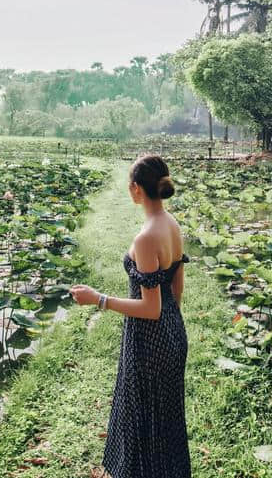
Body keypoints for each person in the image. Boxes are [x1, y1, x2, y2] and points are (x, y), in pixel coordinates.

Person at [70, 154, 191, 478]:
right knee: (164, 423)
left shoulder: (146, 238)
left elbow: (150, 309)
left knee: (141, 422)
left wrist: (99, 300)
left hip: (149, 341)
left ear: (136, 189)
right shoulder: (172, 224)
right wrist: (170, 325)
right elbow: (175, 288)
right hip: (173, 333)